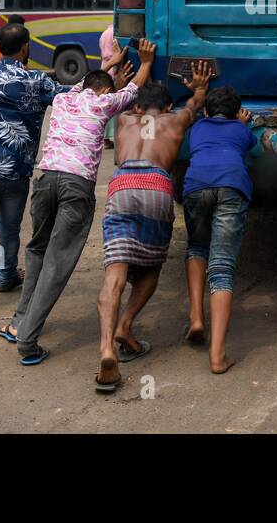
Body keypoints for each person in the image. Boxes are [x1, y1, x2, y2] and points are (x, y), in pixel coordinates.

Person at [2, 39, 157, 365]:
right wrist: (144, 63)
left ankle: (18, 323)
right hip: (76, 185)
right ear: (104, 91)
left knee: (38, 251)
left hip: (45, 180)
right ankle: (27, 341)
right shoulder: (104, 104)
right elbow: (132, 91)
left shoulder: (63, 98)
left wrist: (112, 62)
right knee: (58, 263)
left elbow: (95, 81)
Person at [95, 62, 213, 393]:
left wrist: (126, 77)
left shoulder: (125, 118)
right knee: (151, 269)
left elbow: (120, 94)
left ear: (136, 107)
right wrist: (200, 86)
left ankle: (107, 349)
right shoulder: (176, 119)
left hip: (122, 184)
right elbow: (197, 102)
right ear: (167, 107)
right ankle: (126, 325)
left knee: (114, 276)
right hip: (157, 186)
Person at [0, 22, 66, 318]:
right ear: (26, 48)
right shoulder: (37, 81)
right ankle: (5, 276)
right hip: (15, 171)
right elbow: (70, 97)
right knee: (9, 229)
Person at [181, 84, 258, 374]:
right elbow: (256, 149)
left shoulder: (198, 127)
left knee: (196, 247)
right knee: (222, 268)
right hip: (231, 185)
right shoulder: (241, 130)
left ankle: (197, 318)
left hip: (196, 187)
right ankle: (217, 355)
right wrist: (242, 124)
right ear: (237, 112)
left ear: (205, 111)